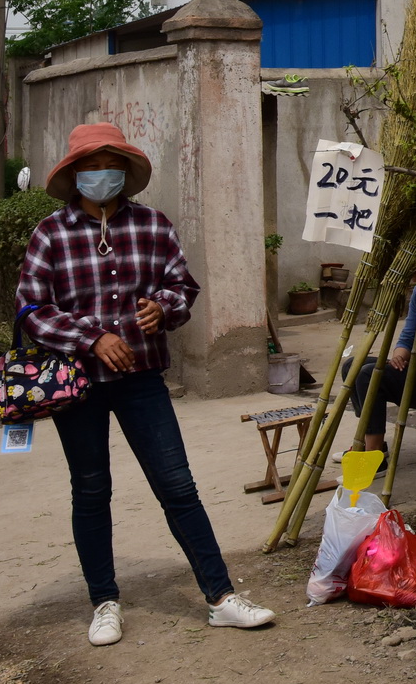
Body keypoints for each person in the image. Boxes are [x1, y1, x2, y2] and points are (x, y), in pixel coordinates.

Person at [18, 122, 277, 647]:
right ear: (72, 176)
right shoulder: (50, 234)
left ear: (124, 172)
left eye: (108, 165)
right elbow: (30, 309)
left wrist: (165, 307)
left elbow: (184, 285)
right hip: (79, 385)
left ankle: (221, 598)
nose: (99, 175)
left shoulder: (154, 226)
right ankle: (104, 602)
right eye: (89, 167)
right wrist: (90, 339)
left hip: (141, 379)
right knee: (91, 490)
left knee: (178, 485)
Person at [348, 276, 416, 456]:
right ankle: (369, 440)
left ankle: (373, 454)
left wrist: (413, 363)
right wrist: (399, 357)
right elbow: (408, 336)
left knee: (369, 375)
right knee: (353, 365)